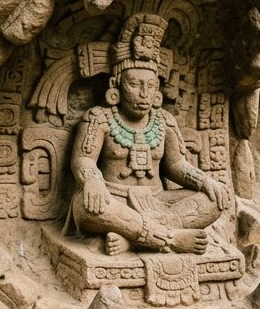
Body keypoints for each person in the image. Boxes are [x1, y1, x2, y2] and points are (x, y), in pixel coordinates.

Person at [70, 13, 227, 256]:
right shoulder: (99, 118)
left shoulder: (164, 121)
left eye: (150, 86)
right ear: (117, 88)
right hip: (115, 200)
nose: (144, 93)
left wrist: (204, 180)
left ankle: (134, 239)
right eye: (135, 85)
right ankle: (170, 240)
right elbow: (83, 159)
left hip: (158, 202)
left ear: (157, 91)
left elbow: (176, 165)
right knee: (86, 206)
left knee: (214, 199)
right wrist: (92, 180)